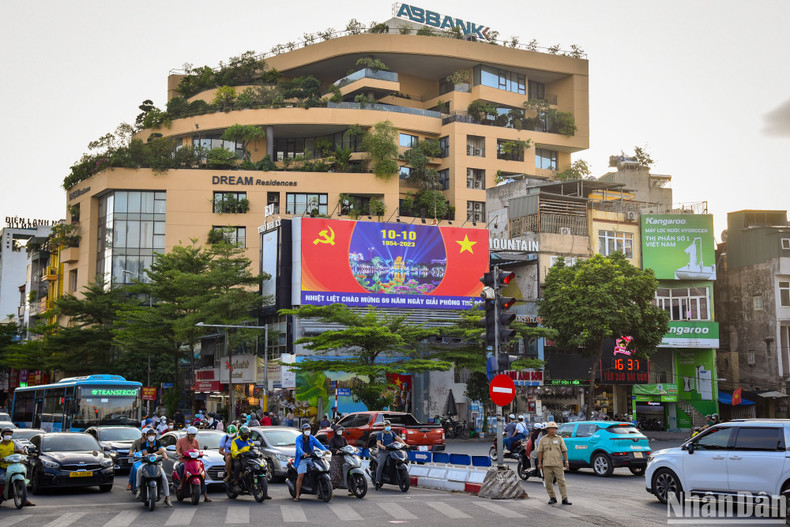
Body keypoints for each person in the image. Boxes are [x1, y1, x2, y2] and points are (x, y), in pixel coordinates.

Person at [135, 428, 172, 507]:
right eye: (149, 435)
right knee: (138, 470)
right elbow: (145, 454)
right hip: (145, 463)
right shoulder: (144, 444)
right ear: (146, 436)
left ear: (155, 436)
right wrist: (157, 453)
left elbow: (162, 450)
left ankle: (167, 497)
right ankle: (139, 488)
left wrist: (155, 454)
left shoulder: (158, 442)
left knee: (164, 478)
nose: (151, 436)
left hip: (157, 464)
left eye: (153, 435)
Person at [537, 421, 571, 506]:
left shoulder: (559, 439)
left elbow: (564, 451)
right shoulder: (543, 439)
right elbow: (540, 452)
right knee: (548, 482)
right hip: (547, 464)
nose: (553, 430)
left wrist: (566, 461)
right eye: (551, 429)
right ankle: (552, 497)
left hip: (557, 463)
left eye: (555, 429)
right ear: (547, 429)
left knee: (561, 481)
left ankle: (564, 498)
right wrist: (539, 463)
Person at [175, 426, 211, 502]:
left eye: (194, 436)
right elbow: (177, 450)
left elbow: (198, 451)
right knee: (181, 467)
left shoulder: (195, 441)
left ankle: (205, 496)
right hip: (184, 461)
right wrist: (179, 454)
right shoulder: (180, 441)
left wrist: (201, 453)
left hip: (194, 461)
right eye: (191, 435)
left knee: (202, 474)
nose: (192, 437)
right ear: (187, 434)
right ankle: (181, 484)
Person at [0, 428, 35, 506]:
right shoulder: (0, 444)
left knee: (24, 480)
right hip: (2, 466)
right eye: (6, 434)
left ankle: (25, 499)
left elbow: (23, 450)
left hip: (13, 465)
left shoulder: (15, 443)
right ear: (2, 435)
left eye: (10, 434)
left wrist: (22, 451)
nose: (8, 436)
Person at [293, 423, 328, 501]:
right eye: (306, 429)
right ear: (302, 431)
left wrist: (325, 450)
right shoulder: (298, 438)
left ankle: (320, 491)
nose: (307, 431)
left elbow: (319, 444)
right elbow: (298, 448)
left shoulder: (312, 438)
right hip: (303, 459)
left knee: (319, 470)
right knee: (301, 476)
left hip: (312, 458)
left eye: (308, 429)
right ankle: (297, 495)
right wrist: (303, 453)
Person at [374, 420, 402, 489]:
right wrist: (381, 446)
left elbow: (398, 438)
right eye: (386, 425)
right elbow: (378, 442)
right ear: (384, 426)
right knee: (380, 465)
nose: (388, 426)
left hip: (392, 451)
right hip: (383, 452)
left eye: (389, 425)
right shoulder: (381, 434)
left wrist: (404, 443)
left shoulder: (392, 433)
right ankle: (377, 481)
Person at [328, 426, 351, 492]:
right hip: (336, 457)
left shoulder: (343, 438)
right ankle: (331, 487)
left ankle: (350, 487)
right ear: (335, 431)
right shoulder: (332, 439)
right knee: (336, 472)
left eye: (341, 430)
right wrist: (336, 451)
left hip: (344, 456)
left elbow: (347, 446)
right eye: (338, 430)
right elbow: (331, 448)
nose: (340, 431)